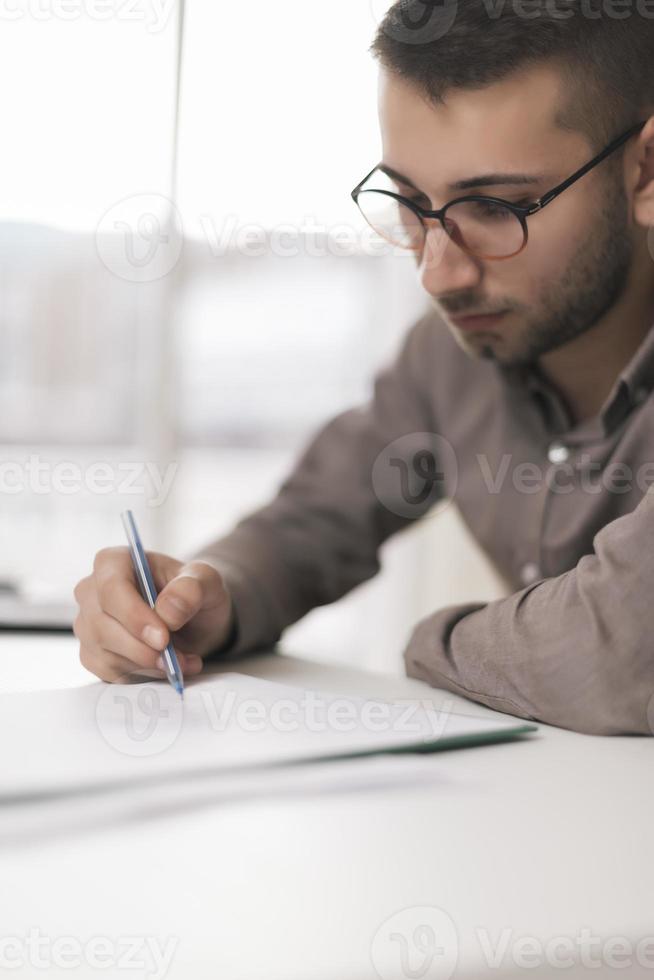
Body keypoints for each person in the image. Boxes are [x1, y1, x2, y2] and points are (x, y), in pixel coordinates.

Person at [73, 0, 654, 735]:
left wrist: (432, 643)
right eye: (411, 204)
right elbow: (309, 524)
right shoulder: (453, 351)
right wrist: (199, 598)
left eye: (497, 207)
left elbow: (613, 655)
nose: (438, 275)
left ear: (644, 170)